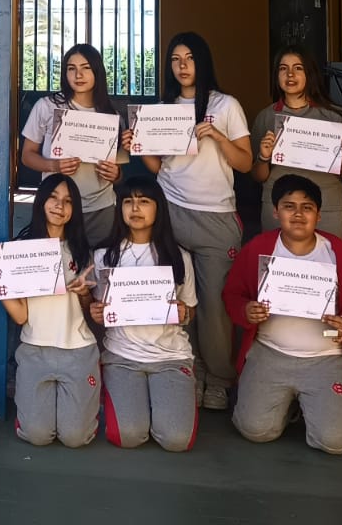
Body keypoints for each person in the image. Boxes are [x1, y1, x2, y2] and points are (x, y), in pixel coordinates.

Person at [224, 175, 342, 455]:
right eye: (289, 206)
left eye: (307, 207)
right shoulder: (259, 249)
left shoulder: (340, 255)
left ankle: (313, 405)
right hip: (270, 352)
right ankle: (290, 406)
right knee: (255, 430)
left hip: (327, 359)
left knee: (335, 442)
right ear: (276, 212)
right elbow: (233, 294)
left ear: (319, 215)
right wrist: (245, 311)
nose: (298, 214)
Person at [134, 31, 250, 411]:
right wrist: (138, 143)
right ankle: (189, 369)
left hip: (216, 216)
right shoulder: (162, 108)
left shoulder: (225, 104)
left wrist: (217, 135)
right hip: (171, 210)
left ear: (203, 62)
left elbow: (246, 162)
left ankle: (219, 378)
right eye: (175, 59)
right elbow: (157, 166)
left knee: (215, 305)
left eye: (189, 58)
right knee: (176, 299)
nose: (182, 66)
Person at [0, 174, 100, 448]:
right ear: (41, 201)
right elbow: (21, 316)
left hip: (78, 351)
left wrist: (84, 293)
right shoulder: (21, 251)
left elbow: (91, 310)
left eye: (68, 201)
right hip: (35, 350)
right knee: (37, 435)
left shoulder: (82, 252)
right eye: (53, 198)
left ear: (75, 209)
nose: (60, 206)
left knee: (75, 438)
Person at [90, 174, 198, 451]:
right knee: (127, 436)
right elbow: (98, 308)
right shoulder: (104, 255)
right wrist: (95, 312)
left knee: (176, 441)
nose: (135, 208)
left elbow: (191, 312)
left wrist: (184, 312)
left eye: (144, 201)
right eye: (128, 201)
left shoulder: (178, 255)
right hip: (122, 356)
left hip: (170, 356)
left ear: (158, 208)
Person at [250, 45, 342, 238]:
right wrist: (263, 158)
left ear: (310, 74)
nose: (290, 74)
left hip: (326, 208)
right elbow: (257, 176)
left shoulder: (334, 117)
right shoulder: (266, 117)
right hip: (278, 209)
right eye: (283, 68)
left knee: (323, 266)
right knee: (282, 267)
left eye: (298, 68)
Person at [19, 44, 123, 241]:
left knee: (97, 266)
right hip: (58, 208)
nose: (78, 75)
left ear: (97, 71)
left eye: (85, 67)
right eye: (71, 68)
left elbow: (118, 171)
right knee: (61, 266)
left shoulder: (111, 115)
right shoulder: (47, 106)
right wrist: (54, 165)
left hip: (100, 208)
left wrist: (115, 174)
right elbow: (27, 155)